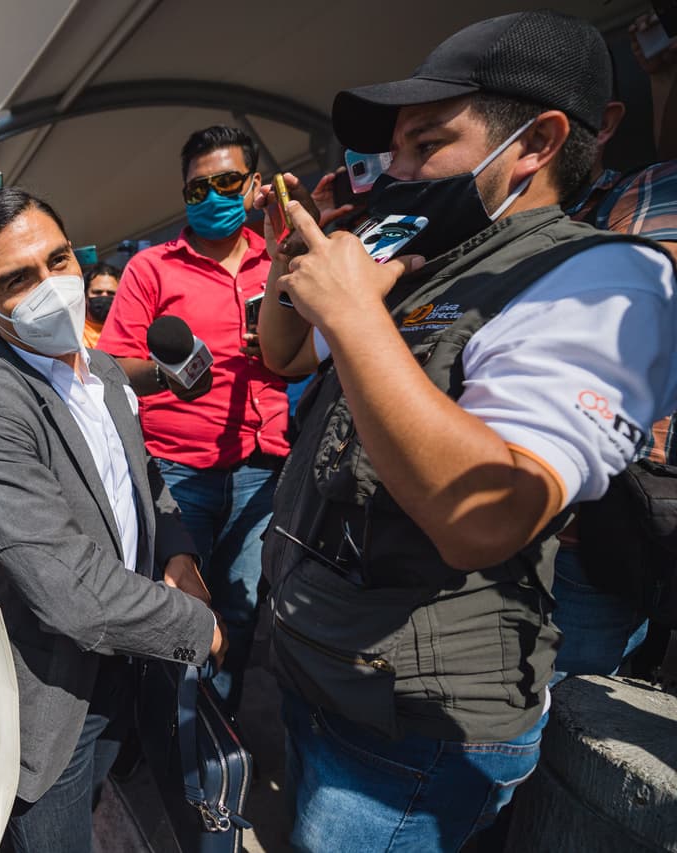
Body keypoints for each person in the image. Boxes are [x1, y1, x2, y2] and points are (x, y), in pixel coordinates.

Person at [255, 12, 677, 850]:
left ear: (537, 142)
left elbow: (487, 515)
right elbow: (289, 353)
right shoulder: (426, 259)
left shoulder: (604, 279)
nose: (400, 172)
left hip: (411, 729)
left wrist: (354, 312)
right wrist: (290, 268)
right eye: (394, 154)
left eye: (427, 145)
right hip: (326, 676)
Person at [0, 187, 225, 853]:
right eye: (18, 279)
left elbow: (143, 478)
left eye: (58, 259)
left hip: (136, 659)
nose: (52, 286)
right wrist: (198, 627)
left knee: (119, 797)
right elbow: (71, 593)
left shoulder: (102, 371)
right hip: (58, 692)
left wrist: (178, 550)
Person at [97, 124, 288, 713]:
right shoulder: (151, 269)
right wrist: (171, 372)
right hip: (178, 472)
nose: (211, 197)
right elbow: (110, 369)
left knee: (242, 607)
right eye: (196, 188)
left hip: (264, 472)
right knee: (179, 609)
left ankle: (216, 737)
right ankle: (172, 738)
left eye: (226, 182)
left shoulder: (281, 259)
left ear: (255, 185)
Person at [552, 28, 677, 682]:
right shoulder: (645, 192)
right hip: (615, 510)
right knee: (583, 693)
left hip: (623, 508)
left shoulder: (643, 194)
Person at [81, 262, 119, 349]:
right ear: (85, 296)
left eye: (111, 293)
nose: (104, 296)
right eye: (97, 292)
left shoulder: (127, 332)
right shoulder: (74, 333)